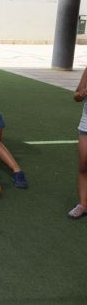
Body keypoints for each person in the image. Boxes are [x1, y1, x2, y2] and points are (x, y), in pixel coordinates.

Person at [69, 67, 87, 219]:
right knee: (83, 165)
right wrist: (81, 94)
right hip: (86, 125)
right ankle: (82, 204)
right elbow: (76, 95)